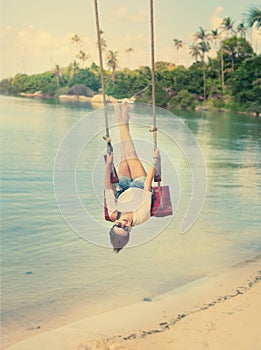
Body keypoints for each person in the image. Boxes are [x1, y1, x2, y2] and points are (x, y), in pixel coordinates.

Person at [105, 102, 160, 253]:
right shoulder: (142, 217)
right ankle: (120, 120)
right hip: (139, 185)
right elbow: (148, 185)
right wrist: (155, 162)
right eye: (126, 229)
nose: (124, 224)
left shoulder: (113, 213)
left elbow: (108, 188)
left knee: (124, 153)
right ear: (130, 231)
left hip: (122, 186)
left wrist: (108, 165)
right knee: (130, 154)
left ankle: (124, 120)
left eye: (119, 225)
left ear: (114, 223)